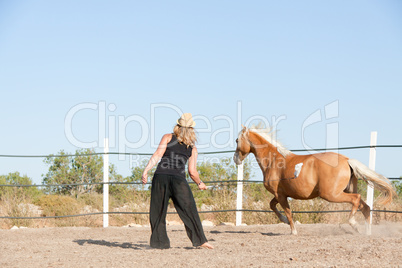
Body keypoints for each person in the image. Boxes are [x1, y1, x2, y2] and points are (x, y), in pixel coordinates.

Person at [142, 113, 214, 249]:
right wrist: (200, 183)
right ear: (192, 130)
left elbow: (157, 155)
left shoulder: (168, 137)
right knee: (189, 209)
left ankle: (159, 243)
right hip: (178, 180)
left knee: (158, 210)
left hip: (160, 177)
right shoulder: (192, 148)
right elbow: (192, 172)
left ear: (177, 126)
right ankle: (200, 240)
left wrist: (146, 170)